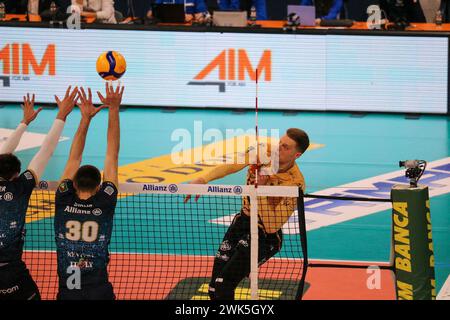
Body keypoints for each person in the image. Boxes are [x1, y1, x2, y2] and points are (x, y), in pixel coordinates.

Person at [185, 128, 309, 300]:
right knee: (214, 288)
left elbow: (272, 226)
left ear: (296, 155)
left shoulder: (295, 184)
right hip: (242, 222)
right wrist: (203, 179)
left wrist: (262, 189)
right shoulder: (263, 152)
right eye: (280, 142)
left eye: (285, 147)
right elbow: (233, 164)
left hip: (265, 236)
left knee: (224, 284)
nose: (278, 148)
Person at [0, 87, 78, 300]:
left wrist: (24, 123)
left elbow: (3, 155)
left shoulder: (16, 183)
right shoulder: (20, 187)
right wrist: (61, 116)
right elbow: (46, 151)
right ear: (16, 175)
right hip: (10, 272)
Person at [54, 83, 123, 300]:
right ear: (98, 186)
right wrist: (113, 109)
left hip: (68, 290)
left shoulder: (63, 197)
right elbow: (112, 155)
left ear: (73, 183)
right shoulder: (105, 201)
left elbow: (74, 158)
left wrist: (85, 118)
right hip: (98, 289)